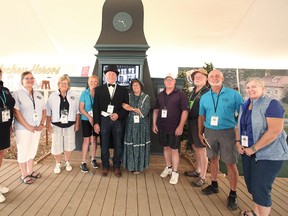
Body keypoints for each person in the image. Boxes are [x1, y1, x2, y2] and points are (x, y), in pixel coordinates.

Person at [236, 78, 288, 216]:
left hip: (269, 155)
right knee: (253, 187)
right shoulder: (245, 105)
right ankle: (256, 213)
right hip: (248, 153)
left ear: (263, 89)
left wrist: (254, 148)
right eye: (248, 87)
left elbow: (275, 131)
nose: (250, 89)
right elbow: (238, 126)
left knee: (261, 189)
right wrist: (237, 142)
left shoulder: (272, 104)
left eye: (254, 86)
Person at [198, 69, 243, 211]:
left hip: (228, 132)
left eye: (217, 76)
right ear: (208, 79)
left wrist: (237, 131)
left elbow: (242, 115)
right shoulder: (205, 96)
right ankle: (214, 184)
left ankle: (233, 193)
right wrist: (200, 132)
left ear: (222, 78)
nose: (214, 78)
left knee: (230, 163)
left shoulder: (234, 94)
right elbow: (201, 116)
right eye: (211, 76)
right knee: (213, 159)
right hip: (210, 132)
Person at [152, 73, 189, 185]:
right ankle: (168, 167)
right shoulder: (160, 95)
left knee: (174, 150)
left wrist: (181, 126)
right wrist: (154, 124)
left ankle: (175, 172)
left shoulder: (181, 94)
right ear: (164, 82)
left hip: (175, 127)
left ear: (174, 82)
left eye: (171, 80)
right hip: (162, 126)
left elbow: (185, 111)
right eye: (167, 80)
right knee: (166, 148)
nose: (169, 82)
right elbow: (156, 110)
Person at [93, 65, 129, 177]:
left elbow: (126, 108)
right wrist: (96, 123)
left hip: (117, 121)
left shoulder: (123, 90)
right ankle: (105, 166)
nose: (111, 75)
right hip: (103, 120)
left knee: (118, 144)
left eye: (113, 74)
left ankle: (117, 166)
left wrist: (118, 115)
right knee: (104, 145)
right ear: (106, 76)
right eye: (109, 74)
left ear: (117, 76)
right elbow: (96, 108)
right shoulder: (99, 90)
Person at [13, 71, 46, 184]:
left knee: (32, 149)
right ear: (22, 81)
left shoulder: (38, 94)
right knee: (23, 150)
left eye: (32, 78)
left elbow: (44, 109)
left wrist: (42, 124)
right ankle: (24, 174)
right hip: (23, 129)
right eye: (27, 78)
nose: (30, 80)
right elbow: (16, 112)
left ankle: (30, 170)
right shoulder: (17, 94)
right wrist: (28, 126)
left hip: (36, 128)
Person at [46, 75, 80, 174]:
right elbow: (48, 111)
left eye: (66, 83)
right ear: (58, 84)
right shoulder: (52, 96)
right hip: (56, 124)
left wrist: (77, 124)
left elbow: (77, 111)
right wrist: (48, 124)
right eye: (62, 83)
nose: (64, 85)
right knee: (56, 144)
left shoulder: (73, 96)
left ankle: (67, 161)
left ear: (68, 85)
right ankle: (58, 163)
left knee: (69, 144)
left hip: (70, 124)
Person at [184, 69, 210, 187]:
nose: (197, 78)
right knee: (195, 146)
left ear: (206, 79)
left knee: (202, 149)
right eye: (196, 77)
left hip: (201, 123)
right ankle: (198, 170)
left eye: (200, 76)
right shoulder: (193, 91)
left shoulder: (207, 92)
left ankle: (203, 177)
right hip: (191, 122)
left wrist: (204, 128)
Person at [122, 79, 151, 174]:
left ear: (141, 86)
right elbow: (123, 105)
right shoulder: (128, 96)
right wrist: (135, 109)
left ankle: (139, 167)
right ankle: (130, 166)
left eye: (137, 85)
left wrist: (132, 108)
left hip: (142, 125)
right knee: (130, 143)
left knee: (140, 144)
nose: (136, 87)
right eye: (134, 85)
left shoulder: (146, 97)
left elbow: (144, 111)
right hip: (130, 124)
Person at [0, 68, 15, 203]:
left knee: (0, 155)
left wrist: (10, 124)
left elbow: (10, 106)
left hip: (4, 127)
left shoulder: (5, 90)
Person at [79, 75, 99, 173]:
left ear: (98, 83)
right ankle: (83, 161)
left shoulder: (99, 93)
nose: (93, 83)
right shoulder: (84, 93)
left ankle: (93, 159)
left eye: (95, 81)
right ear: (88, 82)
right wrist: (90, 117)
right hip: (86, 119)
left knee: (94, 139)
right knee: (86, 140)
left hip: (96, 120)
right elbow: (81, 108)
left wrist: (95, 119)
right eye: (91, 81)